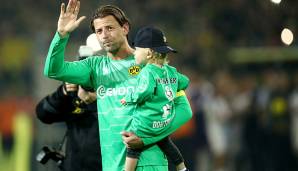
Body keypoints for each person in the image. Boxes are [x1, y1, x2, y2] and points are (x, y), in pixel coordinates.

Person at [43, 0, 192, 170]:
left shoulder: (150, 62)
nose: (104, 35)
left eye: (110, 28)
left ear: (125, 28)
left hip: (149, 163)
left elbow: (183, 110)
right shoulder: (94, 67)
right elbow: (53, 70)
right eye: (99, 31)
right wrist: (61, 36)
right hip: (112, 165)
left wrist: (146, 138)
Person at [120, 26, 189, 171]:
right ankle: (182, 168)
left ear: (149, 53)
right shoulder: (170, 71)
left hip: (146, 124)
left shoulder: (147, 72)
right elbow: (185, 81)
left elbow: (144, 91)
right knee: (166, 143)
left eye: (137, 49)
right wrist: (172, 87)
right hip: (163, 122)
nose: (134, 53)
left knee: (132, 147)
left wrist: (129, 98)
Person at [35, 82, 102, 171]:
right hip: (74, 166)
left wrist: (95, 99)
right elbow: (43, 114)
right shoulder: (74, 94)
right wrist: (63, 92)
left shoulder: (115, 93)